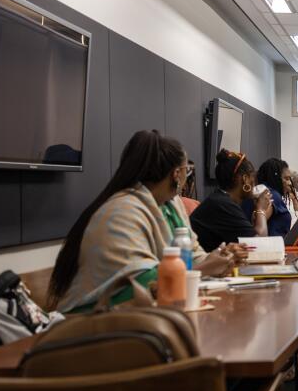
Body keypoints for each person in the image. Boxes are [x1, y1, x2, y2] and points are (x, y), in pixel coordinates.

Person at [49, 131, 243, 312]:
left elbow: (192, 256)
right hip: (99, 320)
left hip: (146, 313)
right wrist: (206, 268)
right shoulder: (122, 212)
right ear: (176, 174)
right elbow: (144, 284)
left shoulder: (170, 204)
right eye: (188, 170)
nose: (188, 176)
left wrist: (220, 259)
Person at [191, 149, 272, 251]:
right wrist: (261, 210)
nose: (254, 183)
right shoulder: (222, 205)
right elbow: (259, 244)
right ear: (245, 179)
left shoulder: (220, 200)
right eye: (253, 178)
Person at [244, 158, 293, 238]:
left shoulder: (259, 191)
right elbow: (257, 222)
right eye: (286, 179)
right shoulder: (271, 195)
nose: (290, 183)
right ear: (276, 178)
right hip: (271, 246)